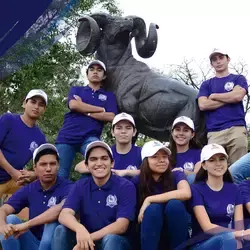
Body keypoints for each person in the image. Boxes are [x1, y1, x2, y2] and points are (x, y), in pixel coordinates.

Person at [53, 141, 136, 250]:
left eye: (104, 158)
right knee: (61, 230)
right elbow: (64, 214)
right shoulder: (80, 185)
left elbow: (121, 226)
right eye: (93, 159)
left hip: (117, 242)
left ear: (112, 163)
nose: (99, 163)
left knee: (111, 239)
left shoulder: (125, 186)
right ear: (86, 165)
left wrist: (88, 238)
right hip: (89, 242)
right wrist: (80, 229)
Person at [0, 143, 73, 250]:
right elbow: (4, 209)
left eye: (52, 164)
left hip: (57, 245)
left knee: (52, 224)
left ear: (58, 166)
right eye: (43, 164)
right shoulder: (30, 189)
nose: (48, 169)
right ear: (35, 167)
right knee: (10, 219)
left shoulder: (68, 187)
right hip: (33, 244)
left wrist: (27, 225)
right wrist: (2, 225)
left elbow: (62, 208)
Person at [56, 60, 118, 179]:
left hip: (90, 137)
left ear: (104, 76)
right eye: (92, 69)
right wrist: (101, 109)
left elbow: (111, 116)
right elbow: (73, 105)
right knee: (60, 174)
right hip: (67, 136)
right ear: (87, 73)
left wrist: (84, 109)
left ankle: (83, 194)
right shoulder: (76, 90)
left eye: (99, 70)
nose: (95, 72)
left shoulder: (109, 96)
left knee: (94, 167)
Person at [131, 140, 191, 250]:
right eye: (155, 157)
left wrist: (150, 199)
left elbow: (186, 193)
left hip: (175, 235)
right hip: (148, 235)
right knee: (153, 209)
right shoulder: (137, 181)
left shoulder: (176, 174)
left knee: (175, 205)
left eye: (164, 156)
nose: (162, 160)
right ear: (145, 161)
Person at [189, 143, 250, 250]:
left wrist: (240, 237)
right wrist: (239, 234)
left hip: (231, 240)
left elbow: (239, 224)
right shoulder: (196, 189)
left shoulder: (235, 189)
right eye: (212, 160)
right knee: (228, 239)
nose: (218, 163)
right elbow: (207, 228)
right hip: (203, 243)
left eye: (222, 159)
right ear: (204, 165)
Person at [197, 49, 248, 166]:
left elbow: (238, 96)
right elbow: (203, 105)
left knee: (238, 169)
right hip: (214, 132)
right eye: (214, 60)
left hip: (236, 128)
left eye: (221, 58)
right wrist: (230, 97)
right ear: (211, 64)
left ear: (228, 59)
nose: (218, 62)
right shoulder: (206, 84)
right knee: (215, 169)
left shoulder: (238, 79)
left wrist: (214, 96)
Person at [0, 89, 47, 197]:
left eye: (41, 104)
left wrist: (33, 174)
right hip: (12, 176)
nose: (36, 106)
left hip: (12, 182)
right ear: (24, 103)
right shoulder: (8, 120)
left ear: (44, 110)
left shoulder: (40, 138)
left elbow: (43, 165)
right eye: (33, 102)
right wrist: (13, 172)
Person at [75, 112, 141, 178]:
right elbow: (78, 167)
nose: (123, 131)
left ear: (134, 132)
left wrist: (126, 172)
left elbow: (149, 172)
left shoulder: (141, 152)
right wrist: (105, 170)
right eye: (119, 128)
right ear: (112, 132)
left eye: (128, 128)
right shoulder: (107, 152)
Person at [169, 116, 201, 184]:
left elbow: (197, 176)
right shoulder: (165, 153)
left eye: (185, 130)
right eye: (177, 129)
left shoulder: (199, 153)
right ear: (172, 133)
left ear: (192, 134)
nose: (181, 133)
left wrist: (182, 171)